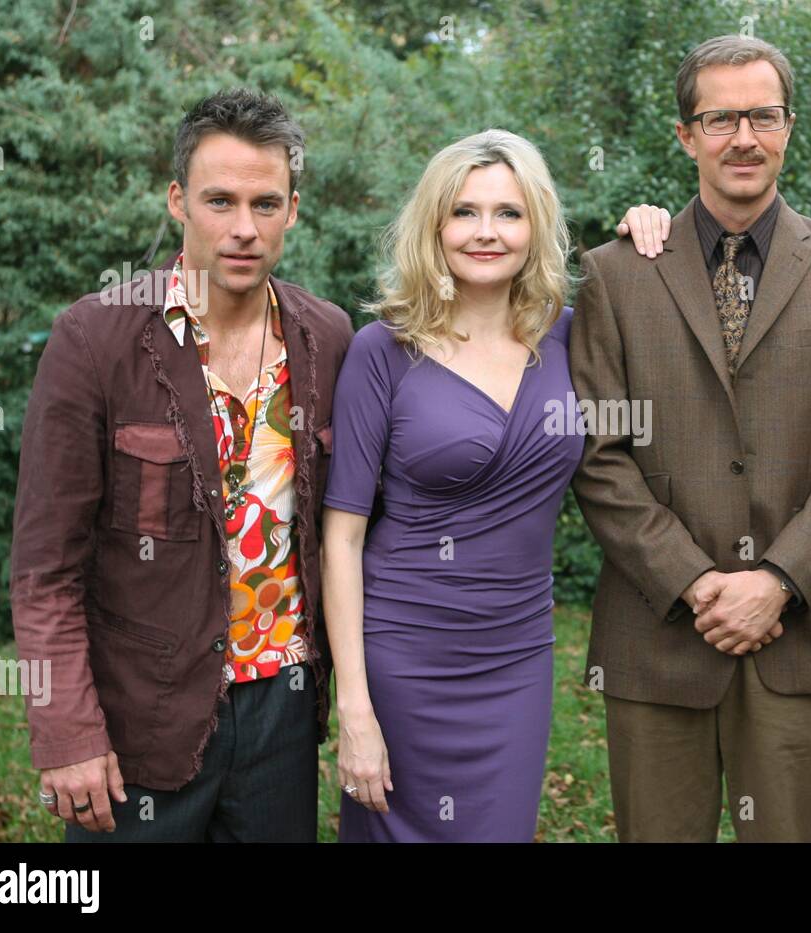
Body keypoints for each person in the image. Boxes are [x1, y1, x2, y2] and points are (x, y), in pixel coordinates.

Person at [571, 35, 811, 842]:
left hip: (806, 634)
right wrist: (695, 582)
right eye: (721, 118)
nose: (744, 137)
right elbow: (598, 453)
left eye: (764, 115)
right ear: (685, 135)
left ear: (790, 126)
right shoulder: (616, 274)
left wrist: (779, 579)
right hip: (659, 640)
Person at [9, 88, 355, 842]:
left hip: (282, 713)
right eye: (219, 200)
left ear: (293, 209)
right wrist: (68, 733)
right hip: (143, 718)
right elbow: (44, 569)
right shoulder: (95, 338)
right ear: (177, 200)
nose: (243, 229)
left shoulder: (328, 335)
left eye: (266, 204)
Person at [320, 129, 583, 842]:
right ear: (434, 225)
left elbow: (668, 306)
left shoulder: (571, 337)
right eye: (465, 212)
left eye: (509, 212)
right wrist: (356, 709)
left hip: (517, 658)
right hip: (404, 656)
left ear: (537, 225)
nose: (487, 232)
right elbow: (340, 538)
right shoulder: (385, 350)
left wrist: (654, 223)